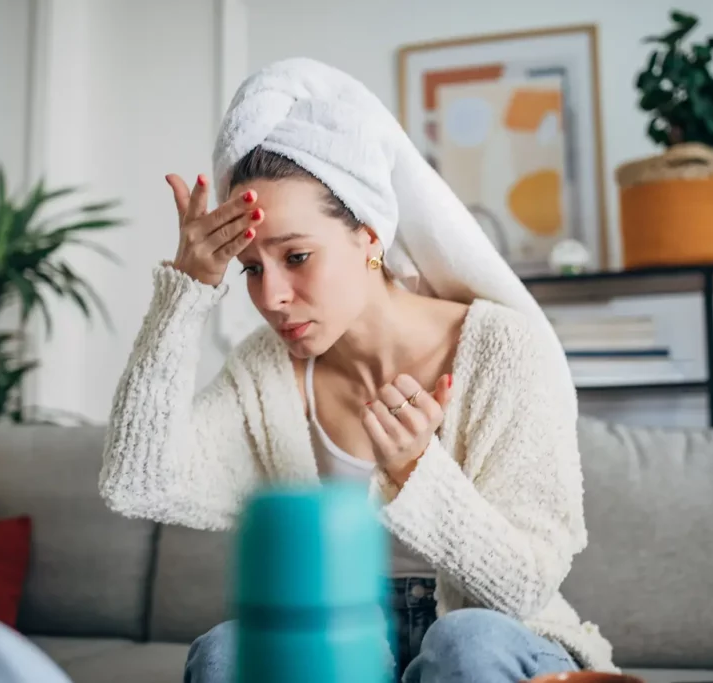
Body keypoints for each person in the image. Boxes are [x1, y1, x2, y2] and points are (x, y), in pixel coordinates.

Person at [99, 58, 615, 683]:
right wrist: (186, 290)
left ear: (369, 237)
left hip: (499, 640)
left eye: (296, 255)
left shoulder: (505, 349)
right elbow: (138, 480)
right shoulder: (267, 370)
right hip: (343, 637)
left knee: (466, 642)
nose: (271, 297)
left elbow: (523, 588)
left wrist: (416, 474)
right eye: (251, 268)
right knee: (227, 652)